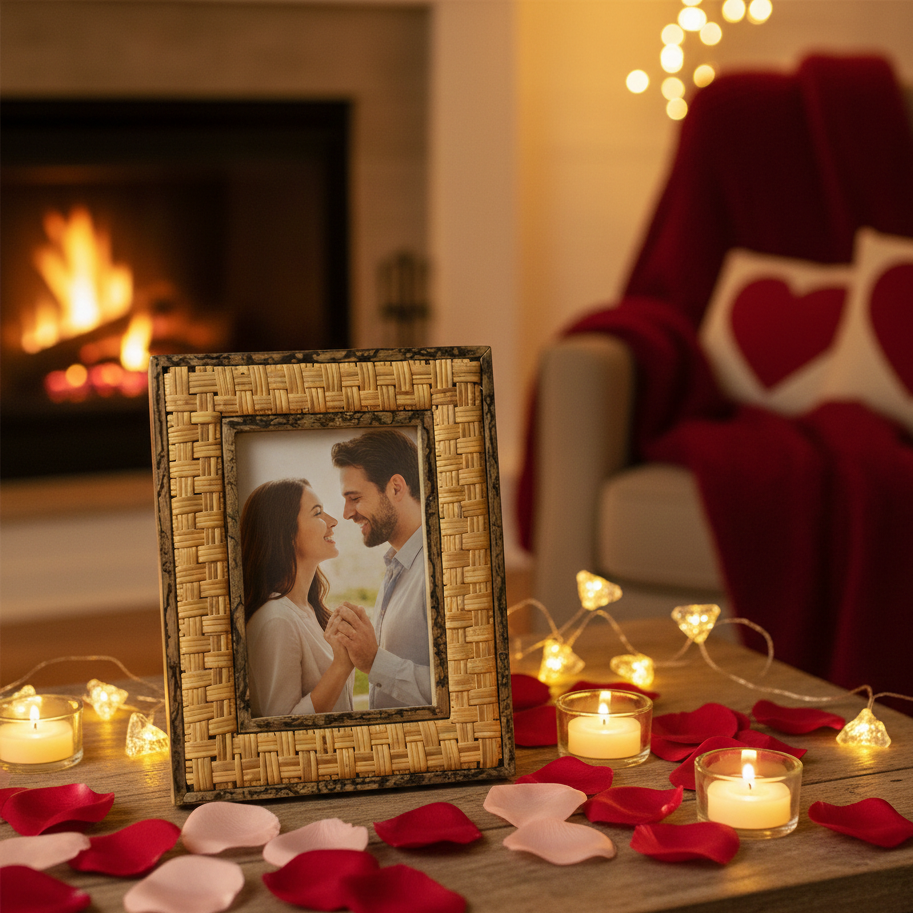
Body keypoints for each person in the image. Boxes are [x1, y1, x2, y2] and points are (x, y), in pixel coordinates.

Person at [330, 429, 433, 709]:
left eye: (355, 498)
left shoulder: (439, 570)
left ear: (396, 488)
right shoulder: (397, 564)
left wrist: (374, 661)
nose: (346, 513)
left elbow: (460, 690)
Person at [241, 477, 356, 717]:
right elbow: (281, 725)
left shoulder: (310, 611)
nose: (333, 522)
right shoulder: (276, 620)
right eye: (318, 514)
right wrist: (341, 666)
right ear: (285, 532)